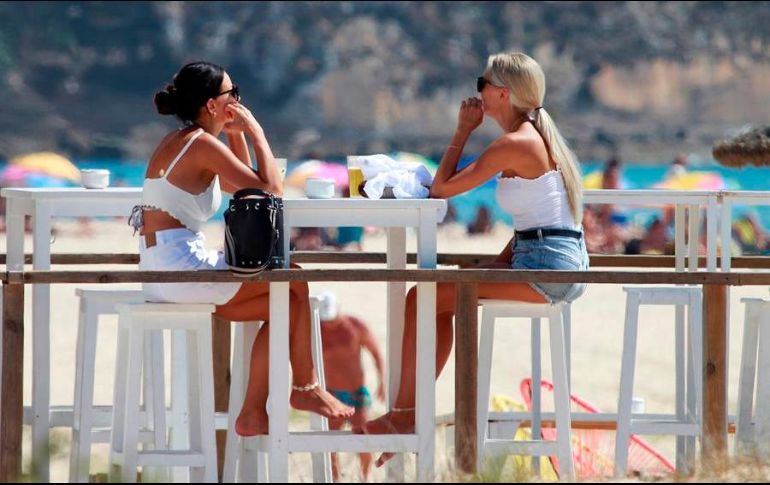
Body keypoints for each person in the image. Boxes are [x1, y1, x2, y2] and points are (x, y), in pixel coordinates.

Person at [355, 52, 589, 465]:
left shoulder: (516, 142)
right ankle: (405, 415)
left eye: (481, 83)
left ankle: (404, 417)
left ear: (501, 93)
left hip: (548, 271)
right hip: (546, 262)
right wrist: (498, 262)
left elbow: (440, 189)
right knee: (433, 295)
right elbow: (538, 225)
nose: (476, 91)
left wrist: (462, 131)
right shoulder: (537, 136)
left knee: (422, 297)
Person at [129, 61, 353, 436]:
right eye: (232, 94)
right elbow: (271, 190)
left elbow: (242, 186)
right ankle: (305, 390)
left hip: (164, 267)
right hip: (179, 269)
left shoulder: (183, 141)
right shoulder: (200, 145)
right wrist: (256, 131)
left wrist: (236, 135)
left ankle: (260, 409)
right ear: (212, 105)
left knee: (289, 299)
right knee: (293, 284)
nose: (237, 100)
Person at [316, 291, 385, 481]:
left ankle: (365, 477)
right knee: (330, 440)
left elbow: (375, 351)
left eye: (331, 318)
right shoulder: (316, 331)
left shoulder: (354, 326)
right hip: (331, 393)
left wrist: (382, 381)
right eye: (325, 319)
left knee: (363, 436)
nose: (329, 324)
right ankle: (335, 479)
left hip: (357, 393)